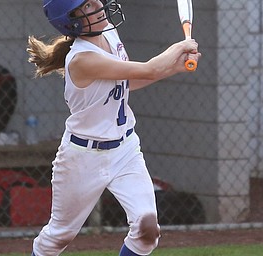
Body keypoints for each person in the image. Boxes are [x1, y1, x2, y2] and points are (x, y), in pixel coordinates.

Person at [27, 0, 201, 255]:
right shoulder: (81, 59)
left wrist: (173, 68)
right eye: (86, 6)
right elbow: (149, 69)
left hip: (125, 149)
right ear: (71, 21)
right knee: (58, 236)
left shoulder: (108, 30)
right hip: (83, 157)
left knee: (147, 230)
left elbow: (125, 83)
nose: (97, 5)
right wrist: (179, 48)